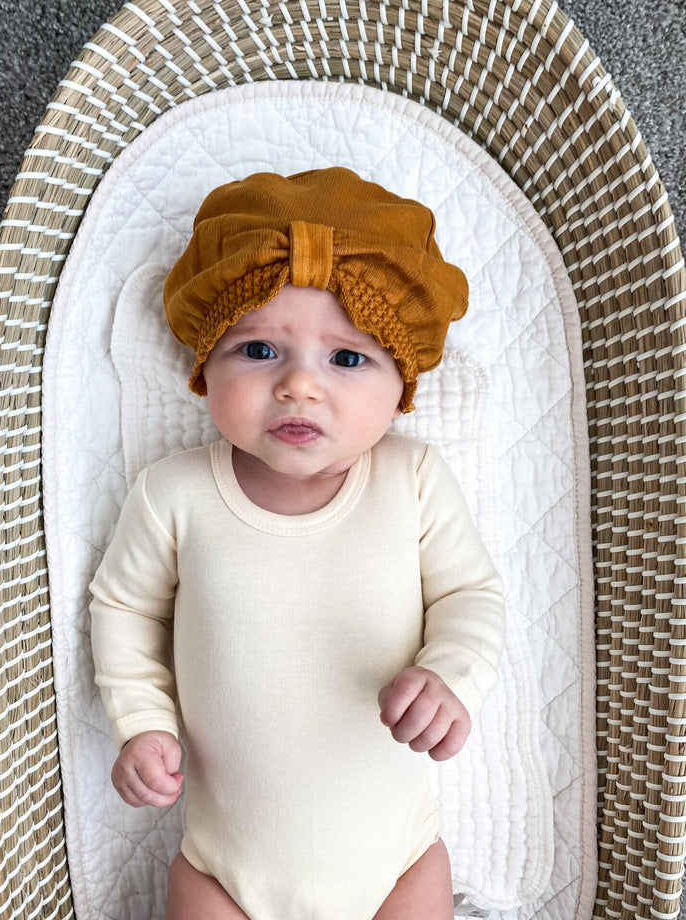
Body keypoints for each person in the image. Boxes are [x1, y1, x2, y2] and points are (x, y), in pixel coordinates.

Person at [90, 167, 505, 920]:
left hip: (398, 865)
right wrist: (143, 722)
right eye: (257, 351)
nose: (299, 387)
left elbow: (470, 595)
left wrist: (452, 676)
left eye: (347, 359)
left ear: (401, 383)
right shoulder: (173, 494)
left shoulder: (410, 481)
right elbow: (122, 608)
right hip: (222, 872)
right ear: (203, 362)